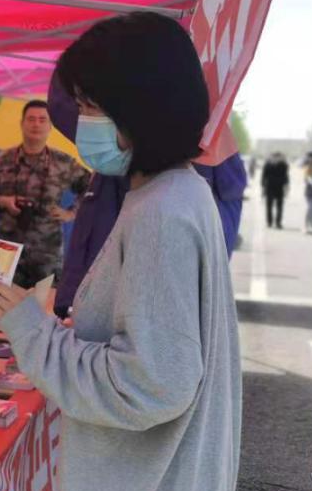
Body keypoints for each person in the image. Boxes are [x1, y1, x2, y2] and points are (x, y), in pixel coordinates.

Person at [0, 12, 242, 491]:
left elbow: (150, 383)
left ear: (138, 107)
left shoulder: (160, 215)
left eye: (93, 106)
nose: (80, 122)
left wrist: (33, 331)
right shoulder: (176, 195)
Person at [46, 69, 245, 319]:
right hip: (97, 313)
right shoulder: (125, 166)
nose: (84, 117)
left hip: (118, 319)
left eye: (90, 107)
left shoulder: (174, 190)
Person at [0, 100, 90, 287]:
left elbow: (91, 188)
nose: (36, 124)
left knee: (43, 305)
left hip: (47, 253)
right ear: (22, 124)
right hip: (4, 248)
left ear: (50, 126)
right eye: (31, 119)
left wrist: (72, 212)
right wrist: (3, 201)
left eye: (42, 120)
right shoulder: (2, 159)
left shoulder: (63, 162)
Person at [261, 151, 290, 229]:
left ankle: (273, 222)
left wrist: (263, 187)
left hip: (273, 187)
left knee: (274, 206)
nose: (276, 158)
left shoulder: (281, 164)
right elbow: (264, 176)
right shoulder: (282, 164)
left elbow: (264, 176)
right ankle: (275, 223)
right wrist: (287, 186)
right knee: (275, 206)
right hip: (274, 187)